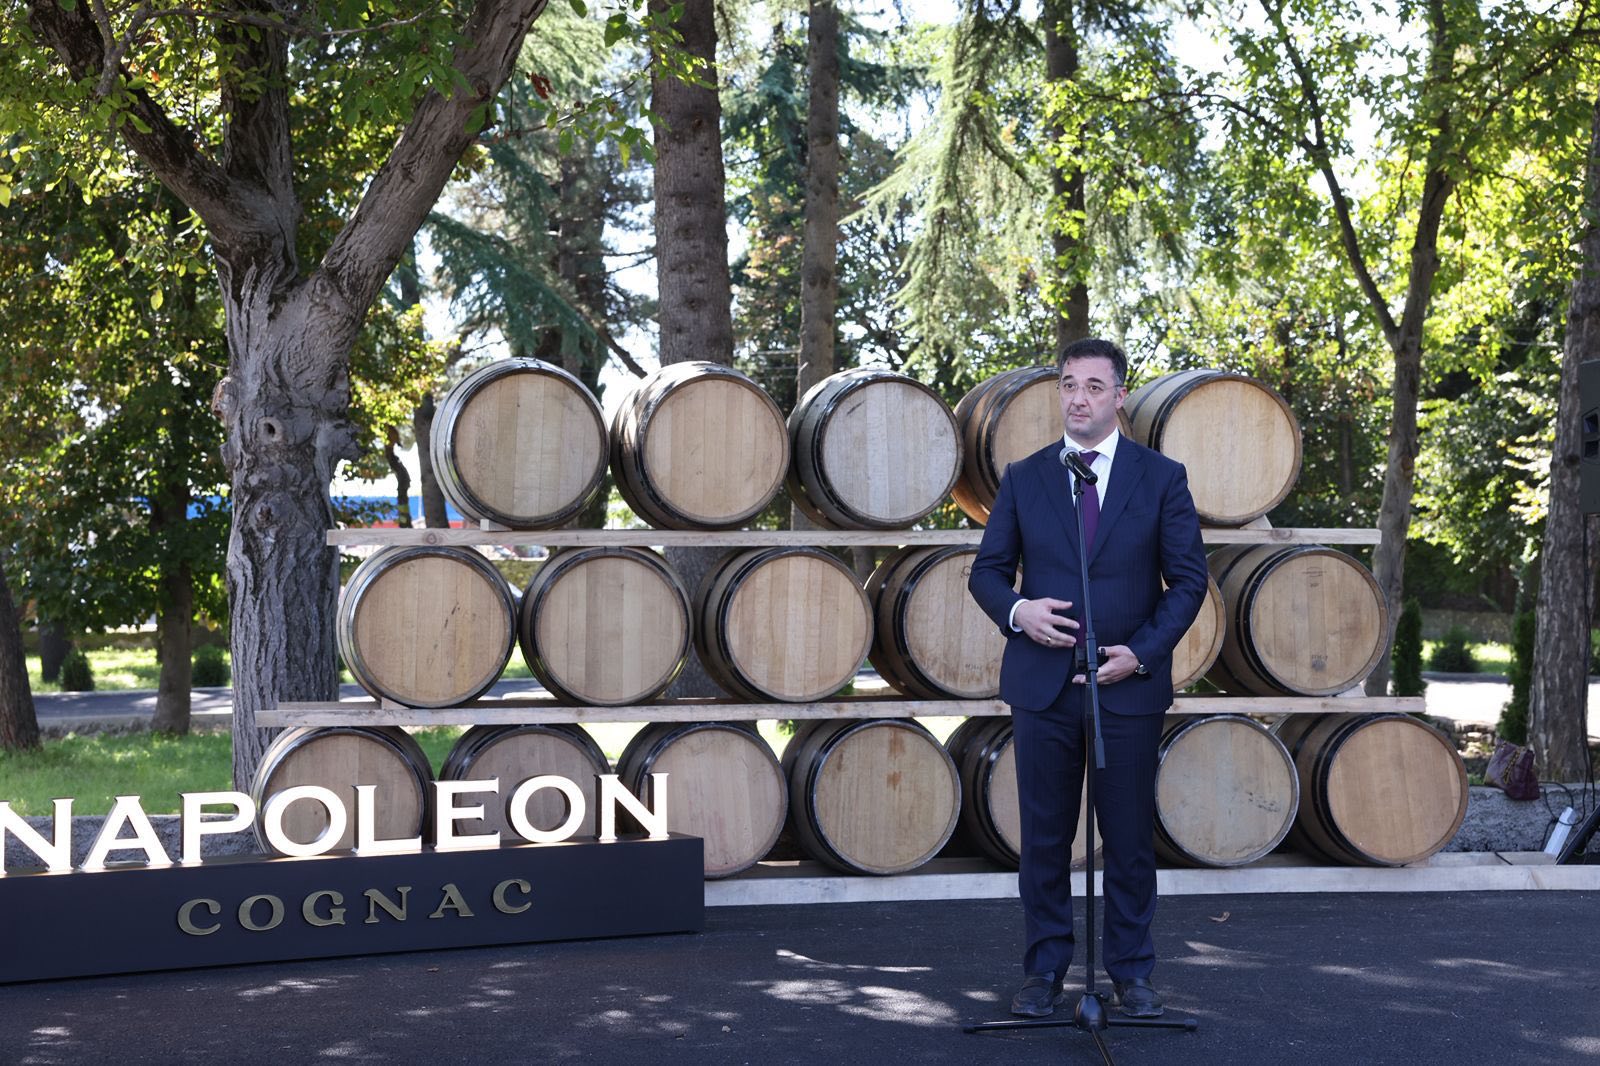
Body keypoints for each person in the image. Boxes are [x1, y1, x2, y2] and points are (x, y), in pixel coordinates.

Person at [967, 337, 1207, 1019]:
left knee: (1128, 840)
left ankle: (1131, 973)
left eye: (1094, 386)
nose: (1078, 398)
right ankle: (1044, 971)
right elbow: (987, 573)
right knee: (1044, 840)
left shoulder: (1162, 478)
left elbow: (1189, 581)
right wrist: (1019, 611)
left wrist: (1143, 653)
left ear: (1120, 396)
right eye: (1069, 385)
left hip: (1127, 688)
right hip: (1042, 688)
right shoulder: (1025, 476)